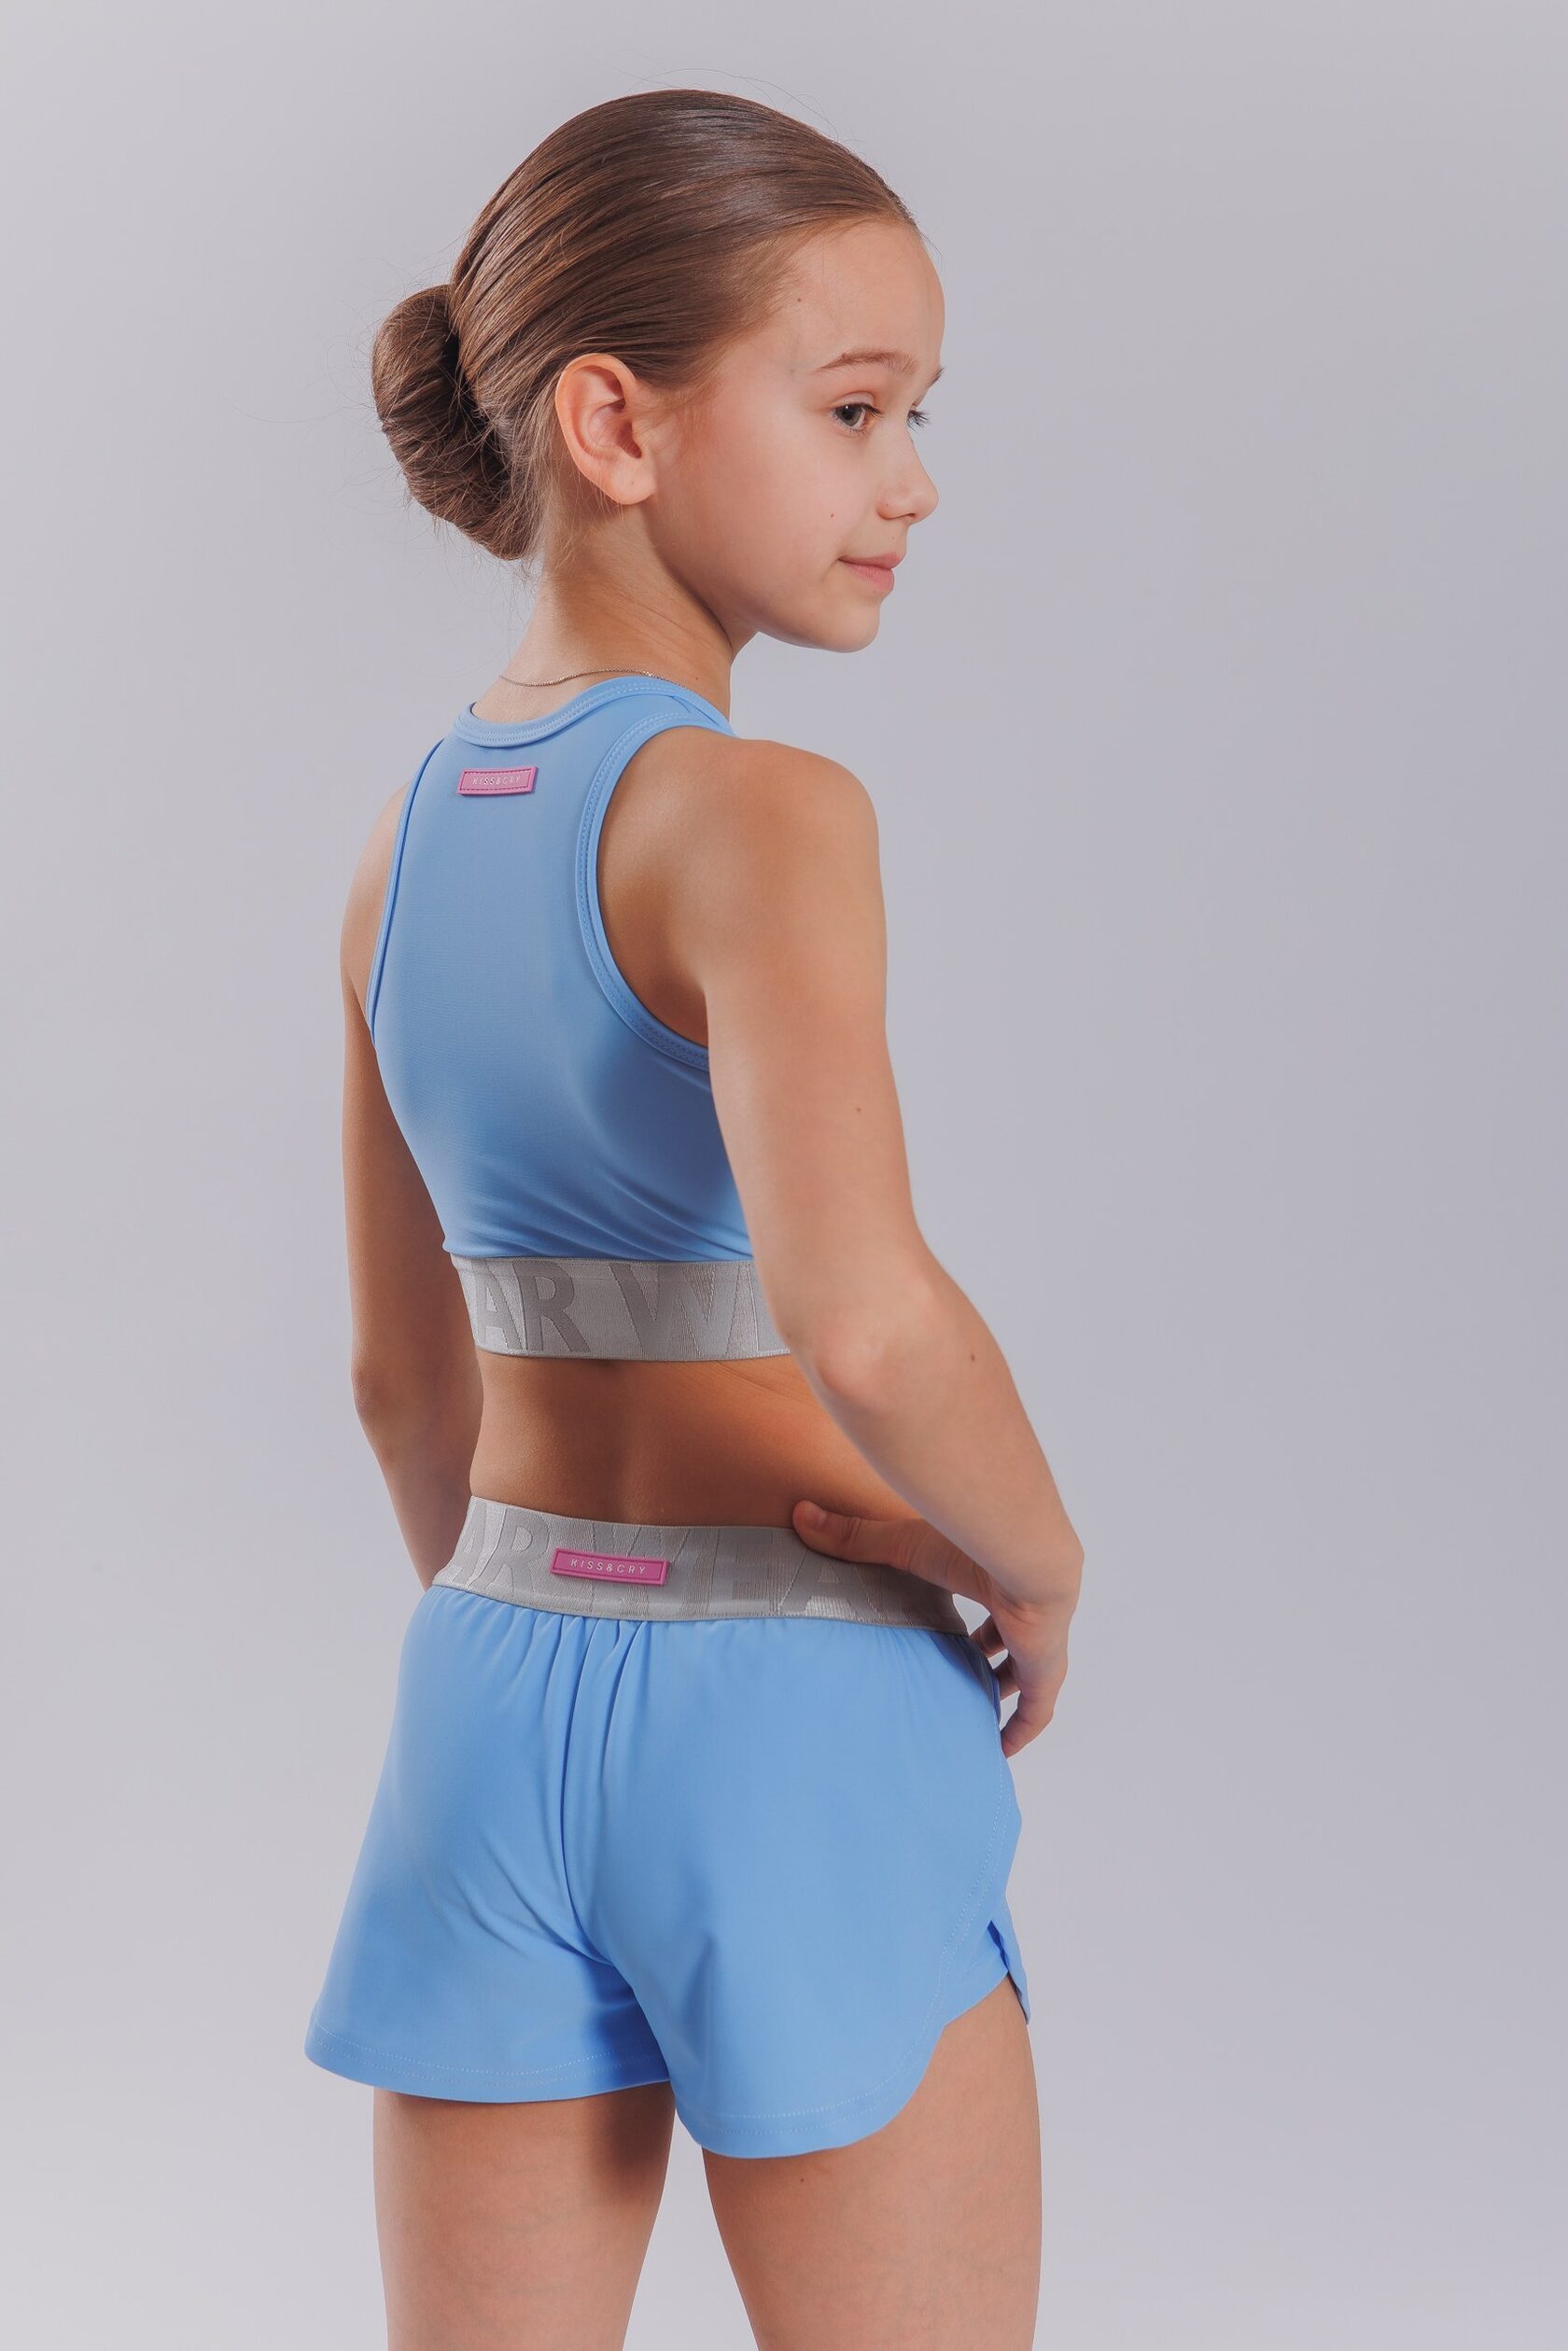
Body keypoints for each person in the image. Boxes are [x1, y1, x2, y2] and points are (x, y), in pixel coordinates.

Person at [302, 85, 1085, 2351]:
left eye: (917, 415)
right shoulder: (759, 814)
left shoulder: (405, 841)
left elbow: (399, 1382)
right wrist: (1040, 1566)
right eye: (853, 411)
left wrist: (551, 1634)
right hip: (795, 1705)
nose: (909, 482)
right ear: (615, 423)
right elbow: (872, 1320)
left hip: (484, 1699)